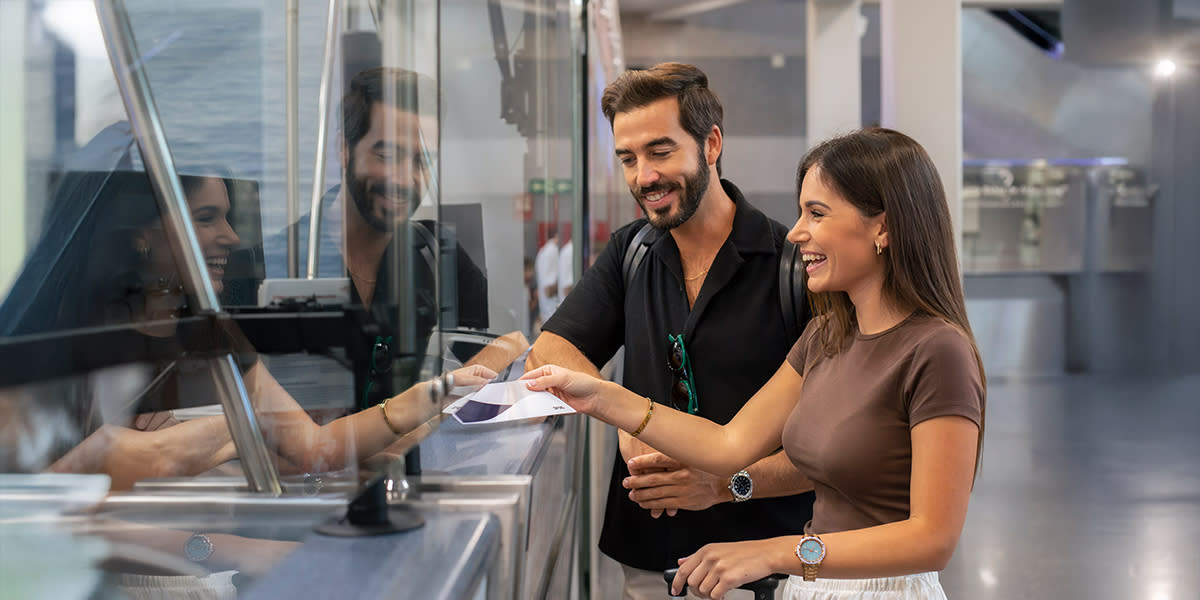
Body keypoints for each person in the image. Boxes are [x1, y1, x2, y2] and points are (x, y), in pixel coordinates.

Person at [522, 127, 986, 600]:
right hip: (814, 586)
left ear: (882, 227)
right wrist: (602, 397)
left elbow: (932, 540)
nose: (799, 231)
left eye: (817, 214)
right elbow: (729, 443)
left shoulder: (937, 351)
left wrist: (774, 553)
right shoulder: (826, 334)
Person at [0, 165, 497, 488]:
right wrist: (237, 430)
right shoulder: (46, 347)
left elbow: (312, 449)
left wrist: (428, 399)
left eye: (228, 218)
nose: (231, 237)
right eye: (207, 218)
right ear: (139, 237)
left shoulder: (210, 335)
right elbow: (50, 494)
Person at [525, 62, 815, 599]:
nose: (643, 177)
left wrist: (724, 484)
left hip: (764, 563)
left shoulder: (794, 268)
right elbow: (551, 350)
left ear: (711, 144)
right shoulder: (631, 251)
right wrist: (630, 423)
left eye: (660, 152)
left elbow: (840, 448)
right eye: (628, 159)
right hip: (649, 556)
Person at [264, 65, 491, 406]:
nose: (405, 179)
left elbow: (489, 355)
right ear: (343, 149)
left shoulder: (440, 256)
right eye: (387, 155)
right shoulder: (280, 263)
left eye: (423, 161)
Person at [534, 226, 560, 324]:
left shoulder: (544, 251)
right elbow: (549, 290)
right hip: (552, 311)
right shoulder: (552, 252)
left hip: (547, 311)